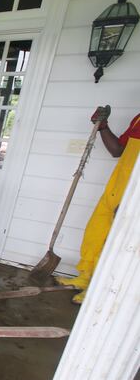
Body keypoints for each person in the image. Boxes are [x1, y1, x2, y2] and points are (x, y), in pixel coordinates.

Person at [57, 108, 140, 304]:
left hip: (134, 195)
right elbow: (118, 150)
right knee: (95, 233)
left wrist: (134, 201)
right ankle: (85, 277)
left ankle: (99, 287)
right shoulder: (138, 119)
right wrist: (103, 127)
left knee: (115, 244)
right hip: (116, 188)